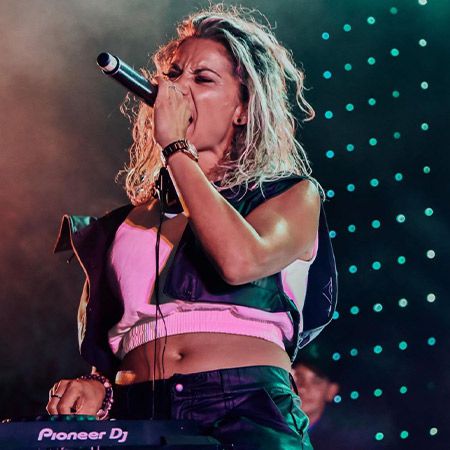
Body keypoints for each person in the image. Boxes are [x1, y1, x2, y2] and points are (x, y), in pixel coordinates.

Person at [46, 6, 337, 450]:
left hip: (244, 409)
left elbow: (240, 262)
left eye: (202, 79)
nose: (177, 89)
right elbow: (119, 337)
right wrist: (99, 387)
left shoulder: (290, 196)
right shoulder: (125, 224)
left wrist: (177, 148)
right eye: (173, 74)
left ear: (243, 109)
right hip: (138, 415)